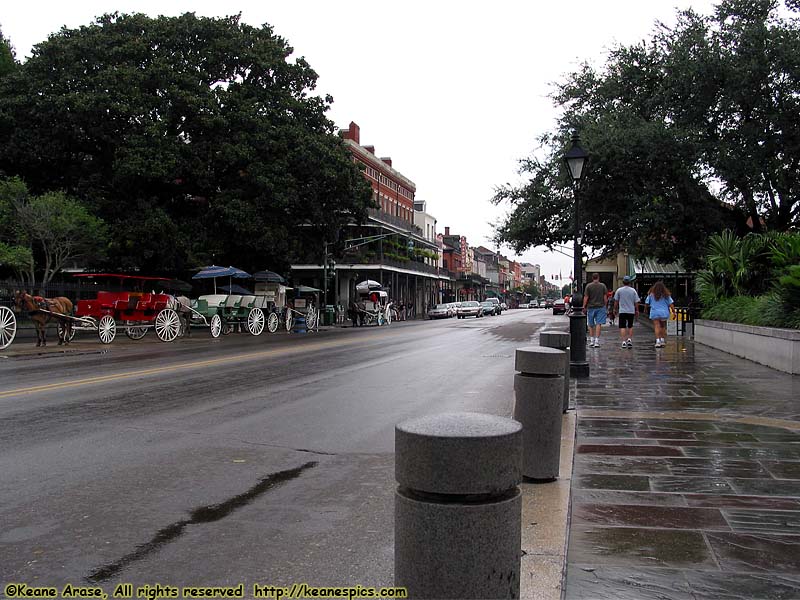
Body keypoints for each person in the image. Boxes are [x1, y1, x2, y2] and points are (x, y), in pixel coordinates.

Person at [645, 280, 675, 348]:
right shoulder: (666, 295)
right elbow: (671, 304)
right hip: (664, 312)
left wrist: (646, 309)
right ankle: (662, 340)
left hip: (654, 312)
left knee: (656, 326)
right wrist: (674, 312)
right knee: (663, 326)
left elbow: (647, 303)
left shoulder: (651, 294)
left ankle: (658, 341)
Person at [582, 273, 608, 347]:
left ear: (592, 278)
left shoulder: (589, 286)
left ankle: (591, 340)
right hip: (600, 307)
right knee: (598, 324)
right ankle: (597, 341)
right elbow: (605, 298)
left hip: (591, 307)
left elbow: (586, 297)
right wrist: (605, 305)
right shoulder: (603, 286)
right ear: (598, 278)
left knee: (590, 324)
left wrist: (584, 306)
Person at [614, 276, 640, 348]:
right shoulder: (633, 291)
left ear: (623, 282)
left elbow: (616, 301)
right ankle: (629, 339)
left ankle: (623, 341)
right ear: (629, 282)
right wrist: (637, 310)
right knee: (630, 326)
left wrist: (615, 309)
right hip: (631, 311)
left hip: (622, 311)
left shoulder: (619, 290)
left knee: (622, 326)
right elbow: (636, 301)